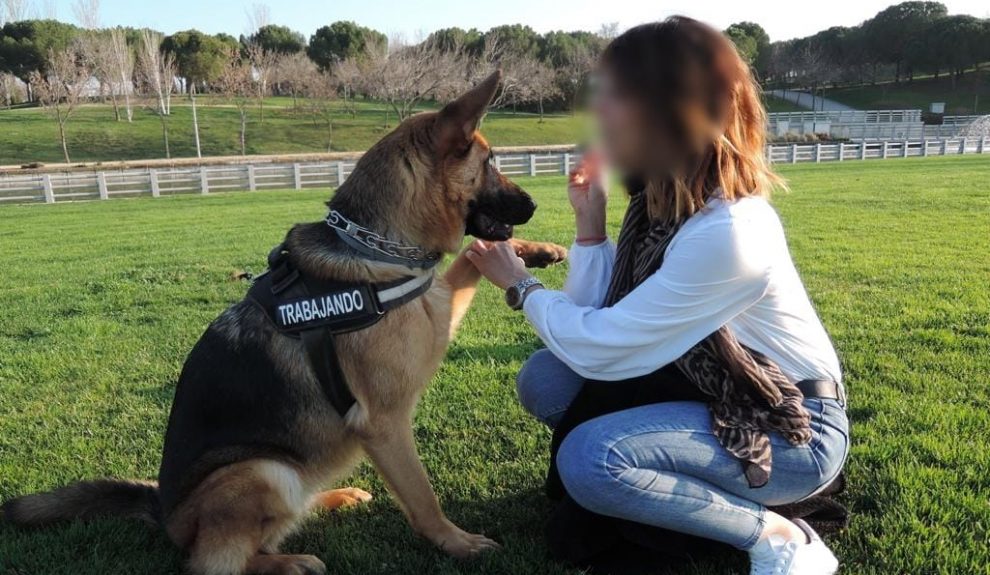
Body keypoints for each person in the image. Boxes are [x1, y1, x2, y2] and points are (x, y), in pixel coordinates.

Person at [465, 17, 849, 575]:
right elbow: (597, 326)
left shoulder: (729, 231)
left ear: (668, 108)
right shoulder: (662, 209)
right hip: (703, 388)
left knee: (593, 459)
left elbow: (605, 347)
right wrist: (591, 225)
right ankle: (678, 486)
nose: (597, 112)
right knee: (545, 378)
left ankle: (775, 533)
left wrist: (523, 288)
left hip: (790, 426)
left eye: (613, 95)